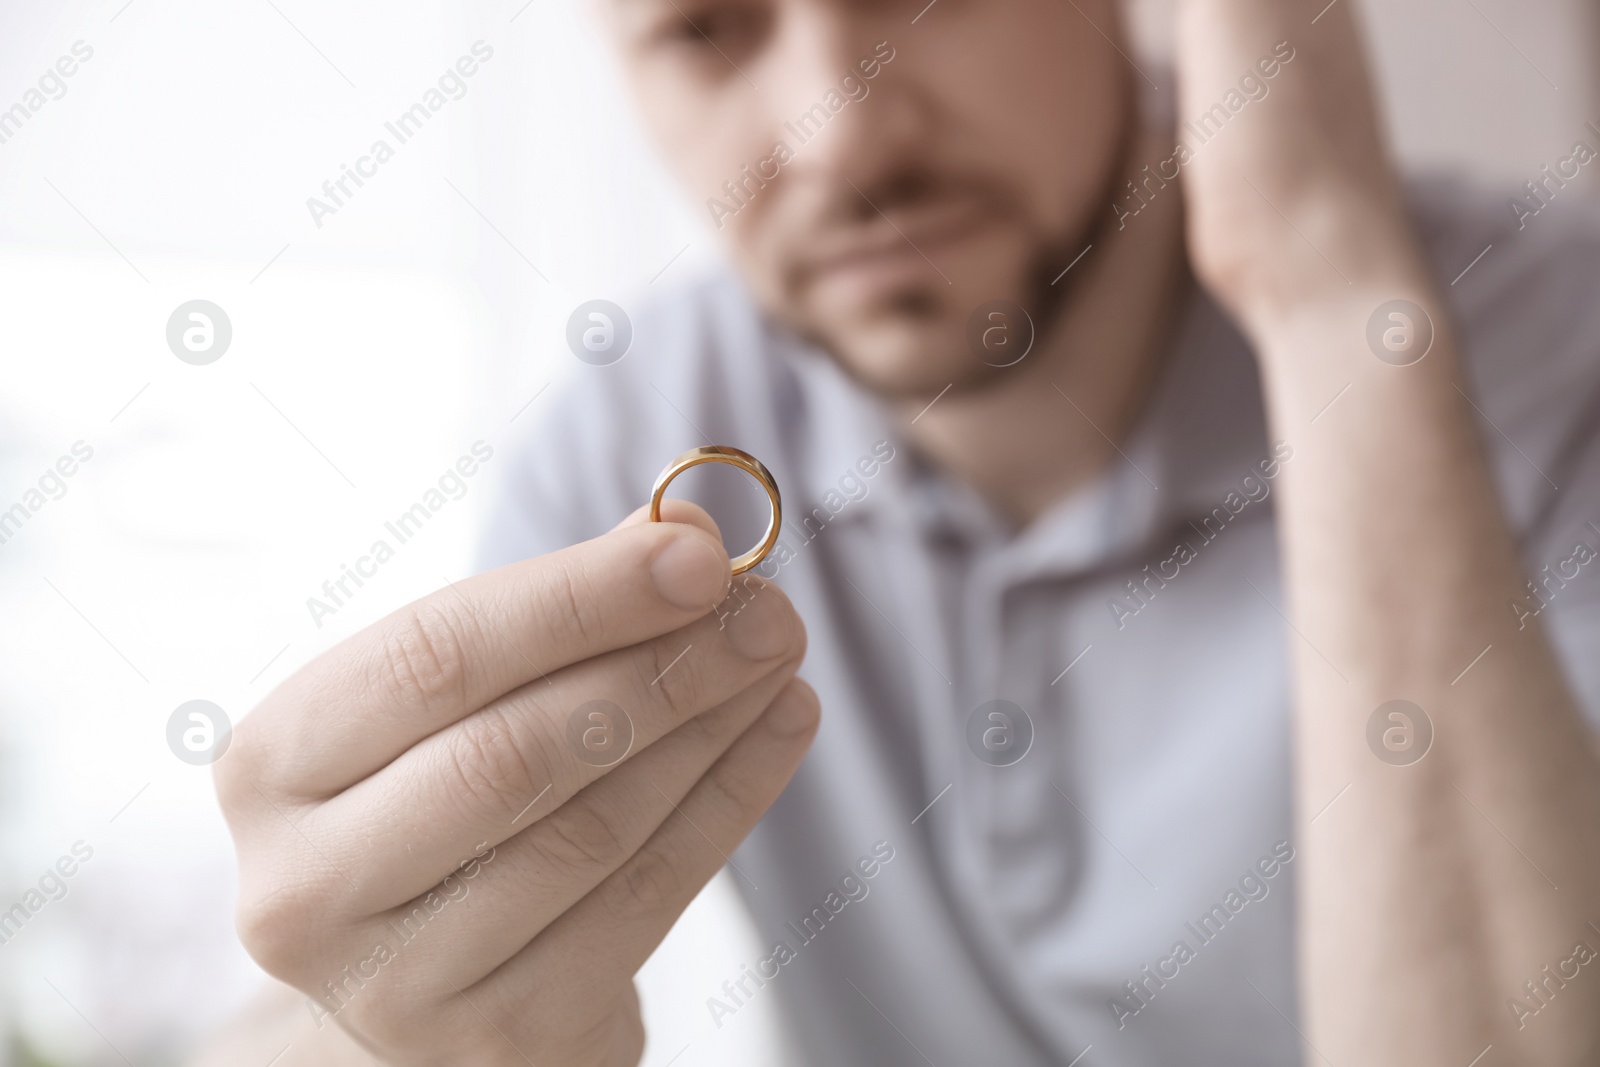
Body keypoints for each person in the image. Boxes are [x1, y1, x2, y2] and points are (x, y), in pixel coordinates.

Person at [205, 0, 1600, 1063]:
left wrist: (1326, 287)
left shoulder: (1561, 350)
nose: (840, 136)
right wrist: (386, 1013)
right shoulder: (633, 445)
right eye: (707, 28)